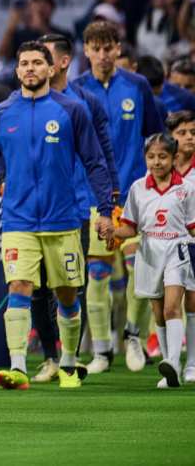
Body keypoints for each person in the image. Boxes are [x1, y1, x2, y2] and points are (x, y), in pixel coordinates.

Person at [0, 41, 115, 390]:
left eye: (37, 63)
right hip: (18, 220)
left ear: (51, 68)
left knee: (67, 294)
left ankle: (69, 364)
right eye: (24, 63)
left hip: (64, 220)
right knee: (20, 286)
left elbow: (95, 163)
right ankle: (19, 367)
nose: (30, 68)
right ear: (16, 70)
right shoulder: (4, 112)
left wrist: (104, 211)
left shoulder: (71, 110)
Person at [73, 20, 163, 373]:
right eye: (95, 48)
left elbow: (156, 138)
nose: (102, 54)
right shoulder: (75, 90)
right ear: (86, 50)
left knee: (137, 269)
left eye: (109, 47)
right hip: (92, 197)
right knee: (96, 273)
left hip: (134, 196)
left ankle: (134, 338)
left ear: (118, 49)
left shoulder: (138, 86)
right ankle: (101, 351)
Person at [36, 33, 117, 378]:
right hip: (34, 209)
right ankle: (50, 357)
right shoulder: (25, 102)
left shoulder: (83, 103)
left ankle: (70, 356)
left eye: (44, 57)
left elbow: (102, 157)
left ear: (63, 61)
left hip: (76, 207)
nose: (37, 63)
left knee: (71, 285)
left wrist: (107, 204)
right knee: (37, 287)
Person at [113, 134, 195, 388]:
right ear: (145, 158)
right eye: (151, 157)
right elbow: (130, 227)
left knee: (172, 307)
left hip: (177, 249)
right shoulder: (138, 188)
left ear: (173, 158)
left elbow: (192, 227)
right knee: (158, 312)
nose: (157, 162)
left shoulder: (187, 189)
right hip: (148, 251)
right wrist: (112, 232)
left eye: (162, 156)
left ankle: (172, 362)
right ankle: (169, 372)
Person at [165, 110, 195, 383]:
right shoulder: (163, 168)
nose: (189, 138)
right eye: (182, 133)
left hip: (193, 240)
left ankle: (192, 364)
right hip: (169, 245)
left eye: (193, 133)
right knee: (168, 303)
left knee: (193, 302)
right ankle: (171, 360)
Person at [0, 0, 73, 61]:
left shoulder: (64, 35)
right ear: (29, 6)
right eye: (37, 1)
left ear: (53, 8)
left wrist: (42, 28)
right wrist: (11, 27)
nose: (42, 5)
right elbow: (2, 56)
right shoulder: (19, 35)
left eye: (46, 2)